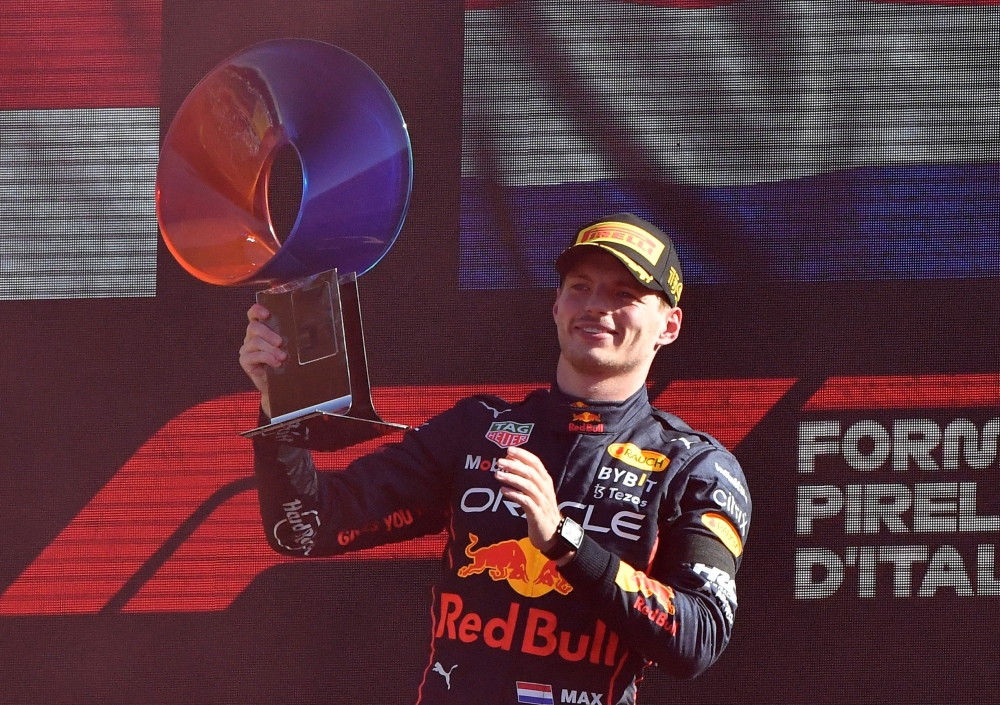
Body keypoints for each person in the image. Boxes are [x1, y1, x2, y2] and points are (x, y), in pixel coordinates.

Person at [240, 213, 750, 705]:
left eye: (625, 294)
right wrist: (279, 404)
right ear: (556, 306)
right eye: (580, 286)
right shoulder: (476, 432)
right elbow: (307, 527)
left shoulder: (695, 467)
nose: (596, 306)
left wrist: (565, 540)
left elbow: (698, 639)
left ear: (669, 324)